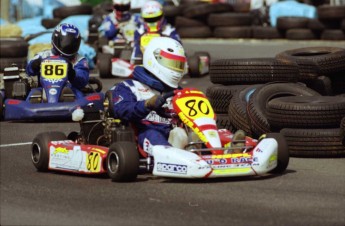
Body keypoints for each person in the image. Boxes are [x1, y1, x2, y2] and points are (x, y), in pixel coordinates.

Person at [110, 37, 187, 151]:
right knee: (154, 136)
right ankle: (171, 156)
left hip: (174, 132)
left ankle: (213, 152)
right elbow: (121, 110)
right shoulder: (130, 87)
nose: (175, 69)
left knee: (185, 134)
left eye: (178, 65)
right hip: (146, 132)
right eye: (172, 63)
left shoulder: (179, 93)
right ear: (153, 59)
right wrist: (147, 104)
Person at [26, 23, 89, 98]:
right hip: (44, 91)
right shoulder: (43, 55)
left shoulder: (79, 60)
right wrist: (34, 65)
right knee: (33, 95)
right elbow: (28, 70)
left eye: (72, 44)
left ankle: (77, 107)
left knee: (78, 95)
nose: (68, 46)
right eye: (66, 42)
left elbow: (82, 79)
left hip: (69, 91)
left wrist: (72, 73)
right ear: (55, 40)